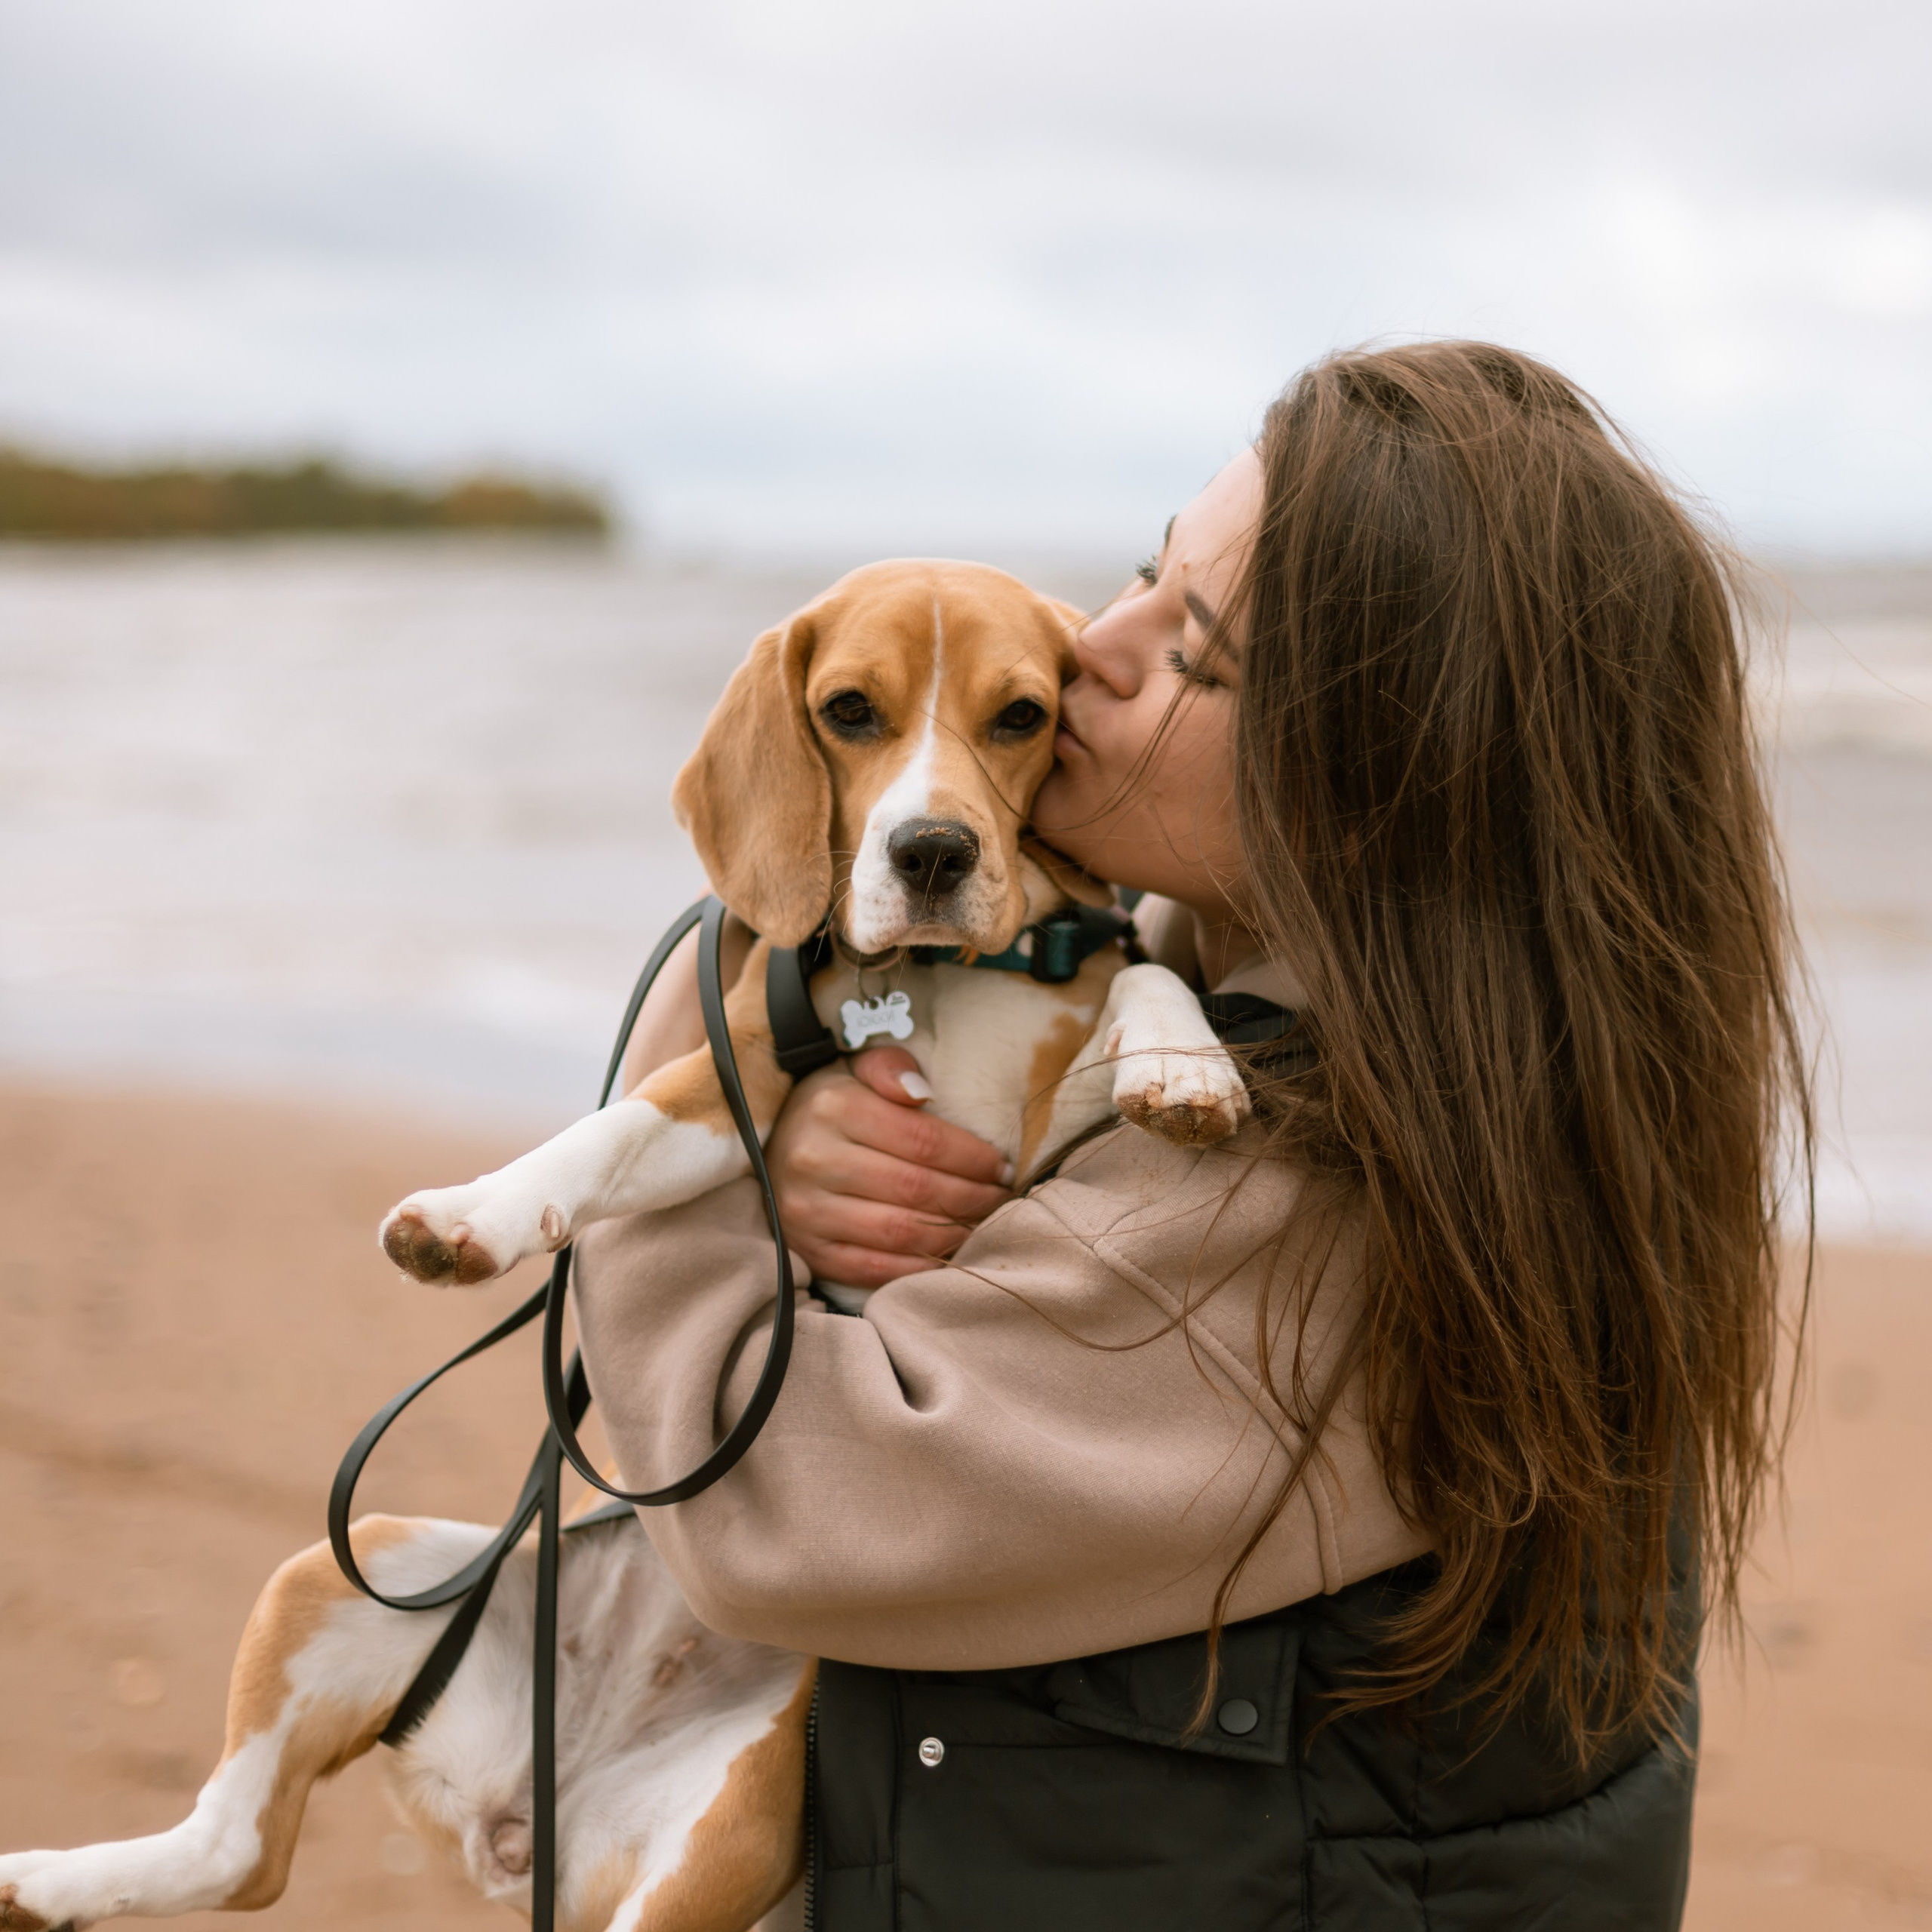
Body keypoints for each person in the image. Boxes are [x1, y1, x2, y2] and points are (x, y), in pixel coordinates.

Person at [575, 340, 1811, 1930]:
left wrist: (715, 1100)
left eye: (1196, 653)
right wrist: (814, 1100)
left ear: (1368, 788)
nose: (1096, 646)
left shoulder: (1299, 1190)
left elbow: (771, 1508)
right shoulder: (1474, 1080)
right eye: (1148, 571)